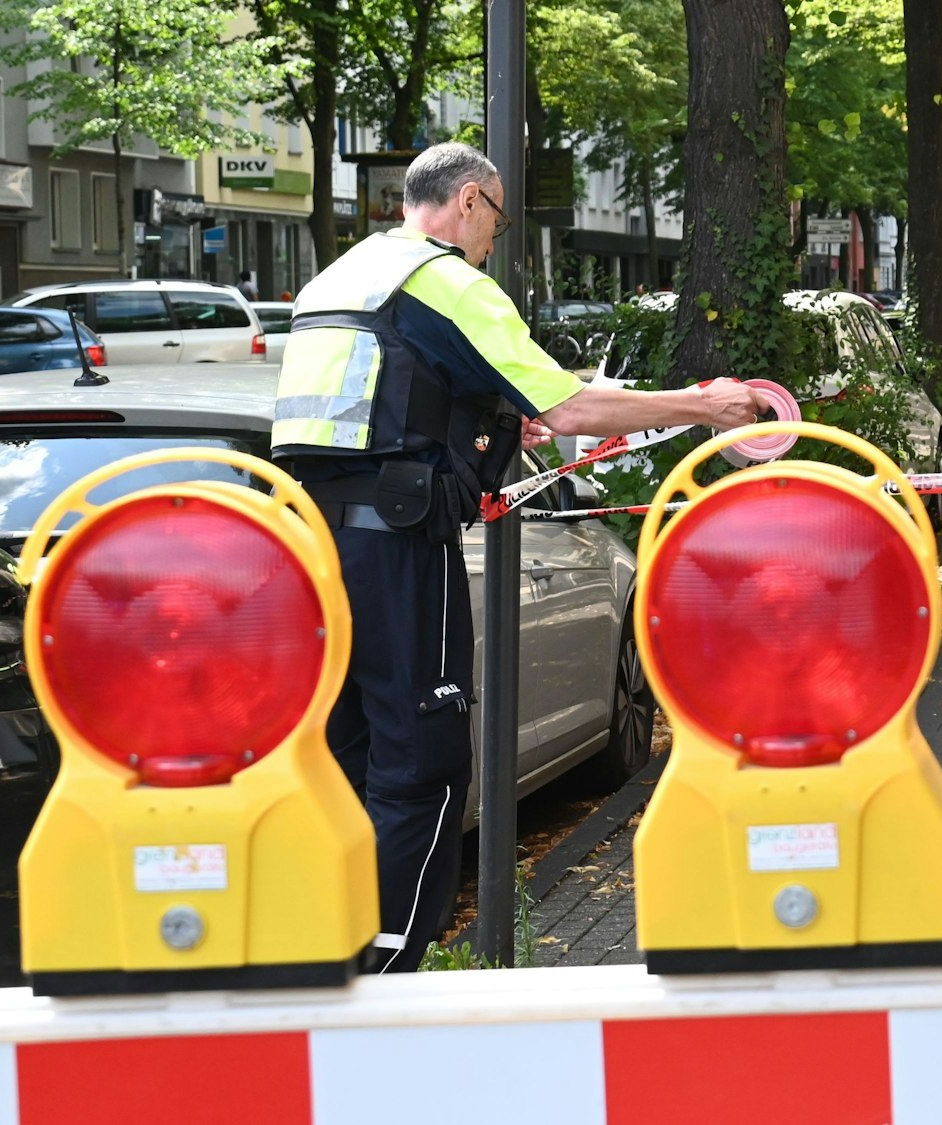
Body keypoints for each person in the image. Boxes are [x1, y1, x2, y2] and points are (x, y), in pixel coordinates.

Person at [271, 143, 760, 973]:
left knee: (345, 753)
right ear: (469, 201)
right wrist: (703, 404)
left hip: (309, 549)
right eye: (496, 219)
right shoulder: (449, 280)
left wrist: (482, 420)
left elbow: (380, 402)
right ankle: (387, 964)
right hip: (398, 549)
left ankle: (322, 945)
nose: (495, 239)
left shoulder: (343, 276)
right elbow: (571, 406)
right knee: (423, 759)